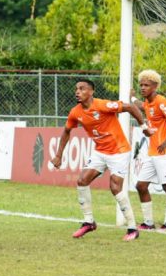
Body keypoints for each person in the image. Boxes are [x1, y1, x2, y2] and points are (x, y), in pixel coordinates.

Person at [52, 79, 151, 241]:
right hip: (100, 152)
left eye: (82, 89)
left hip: (119, 151)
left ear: (91, 92)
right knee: (82, 180)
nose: (77, 91)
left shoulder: (103, 105)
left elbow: (131, 107)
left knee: (115, 187)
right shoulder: (75, 112)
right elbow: (66, 131)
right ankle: (89, 222)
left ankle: (132, 228)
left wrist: (144, 127)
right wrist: (58, 154)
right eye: (76, 89)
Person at [135, 70, 166, 231]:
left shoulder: (160, 100)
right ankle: (148, 223)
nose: (143, 88)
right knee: (141, 186)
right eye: (141, 85)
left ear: (155, 86)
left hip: (165, 152)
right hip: (152, 152)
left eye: (146, 85)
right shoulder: (148, 103)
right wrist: (131, 97)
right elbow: (141, 106)